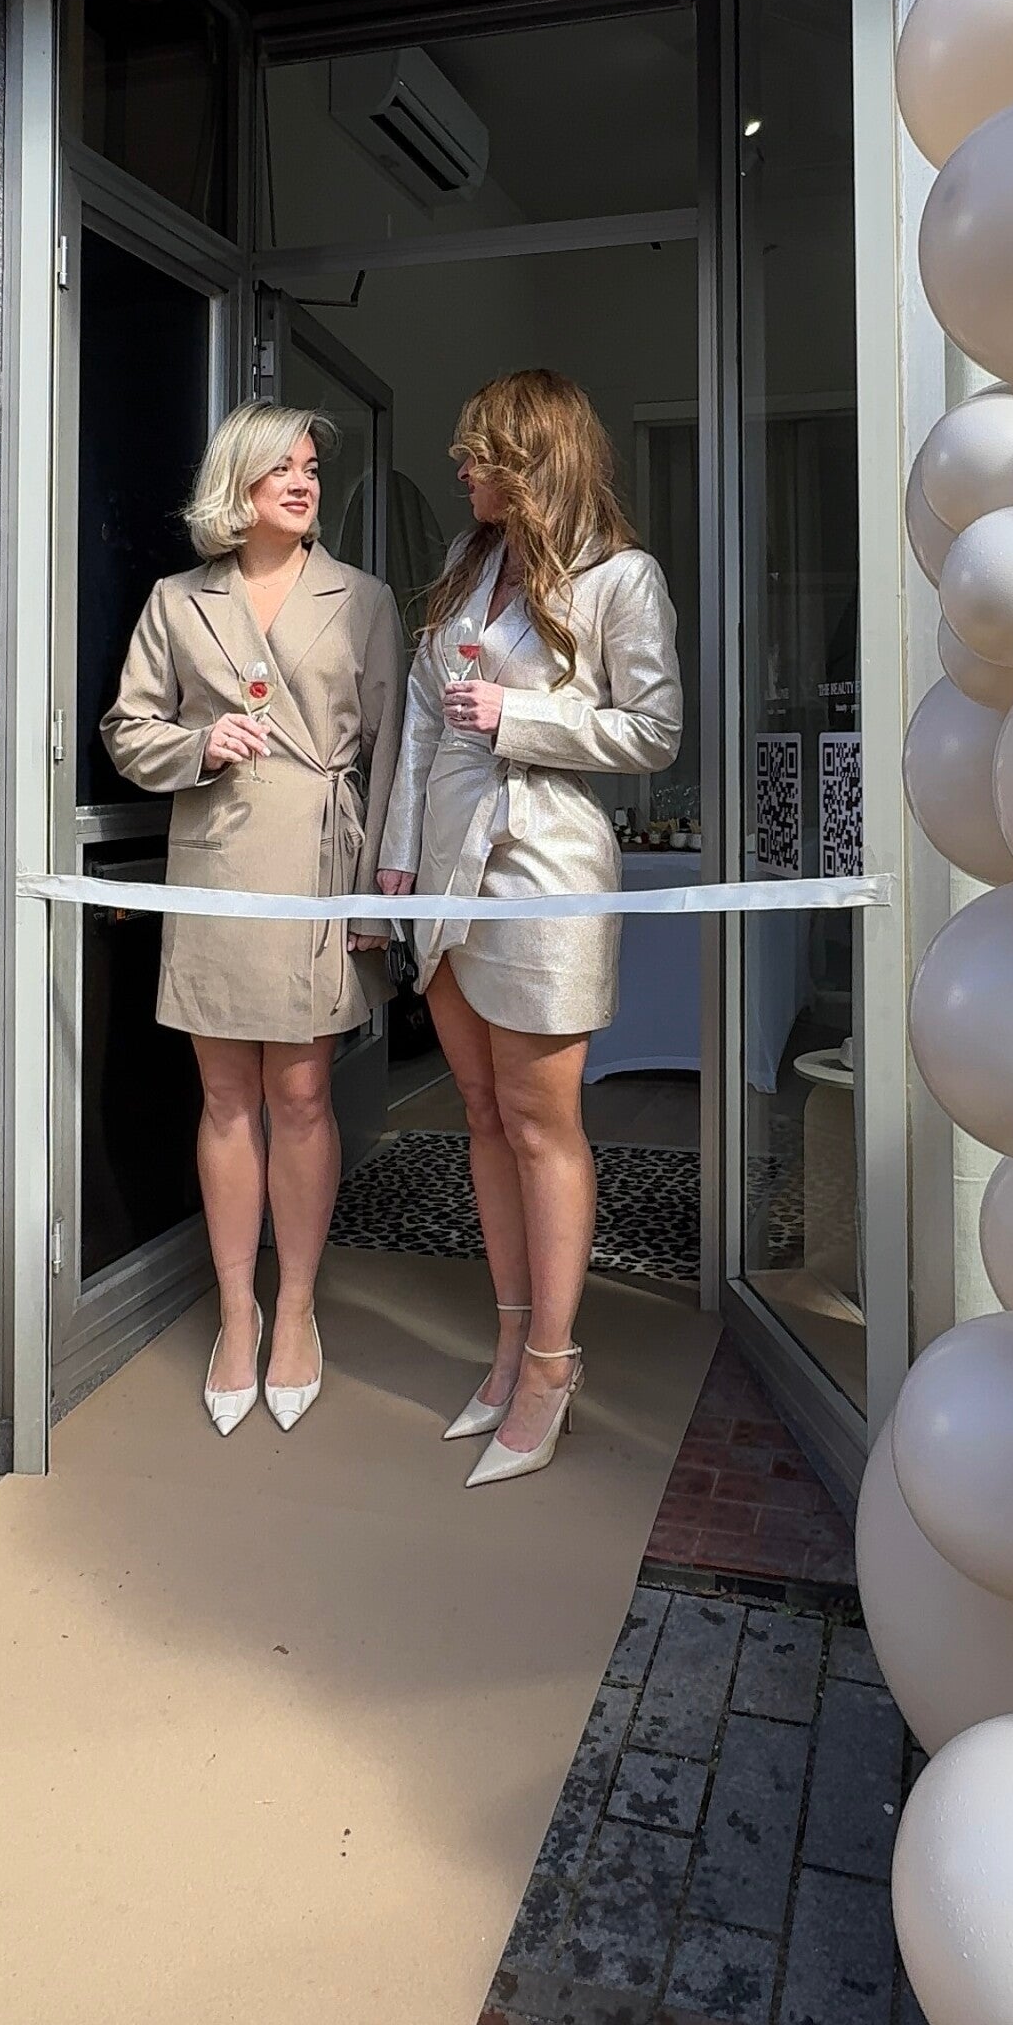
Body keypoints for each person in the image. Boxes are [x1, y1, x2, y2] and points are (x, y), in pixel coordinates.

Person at [376, 370, 681, 1488]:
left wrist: (523, 715)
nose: (461, 468)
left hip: (545, 862)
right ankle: (509, 1346)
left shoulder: (620, 576)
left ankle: (553, 1363)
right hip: (446, 869)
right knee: (482, 1112)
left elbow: (654, 731)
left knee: (542, 1121)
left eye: (479, 452)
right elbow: (421, 721)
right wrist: (397, 859)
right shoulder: (469, 565)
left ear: (532, 456)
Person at [103, 406, 405, 1438]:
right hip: (218, 859)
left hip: (320, 863)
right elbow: (127, 729)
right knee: (226, 1095)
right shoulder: (175, 600)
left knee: (304, 1092)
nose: (304, 481)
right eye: (283, 468)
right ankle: (238, 1312)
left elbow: (395, 752)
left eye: (312, 467)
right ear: (237, 482)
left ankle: (298, 1309)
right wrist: (199, 743)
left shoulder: (362, 598)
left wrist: (376, 894)